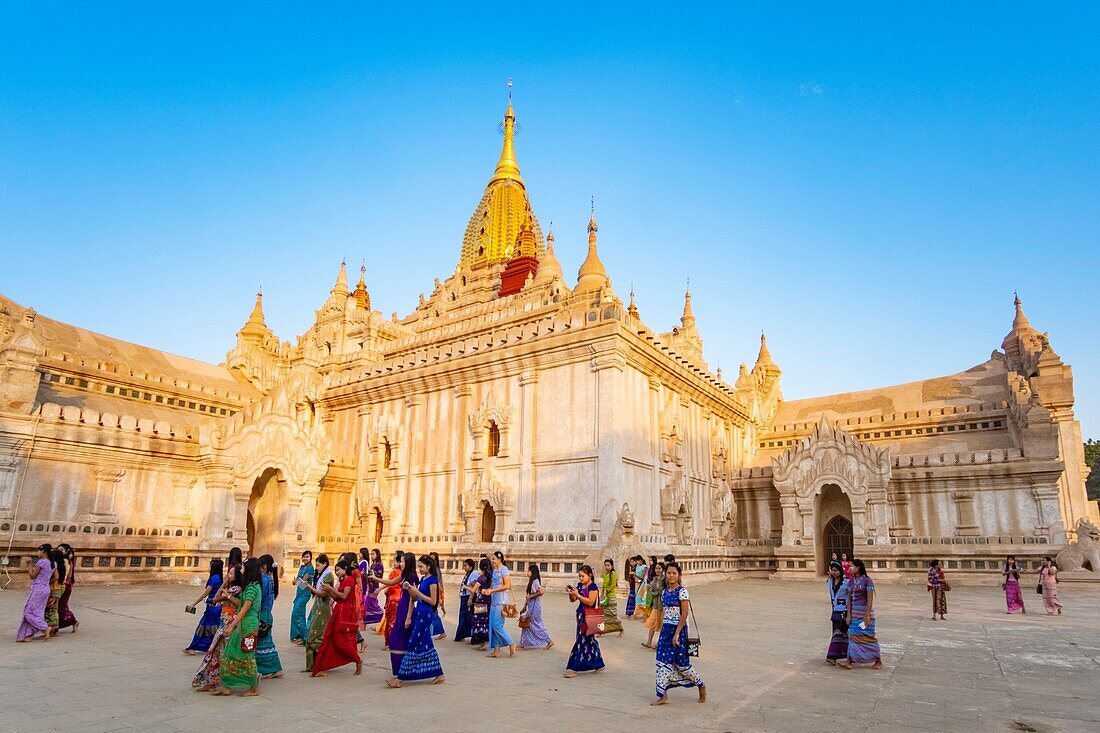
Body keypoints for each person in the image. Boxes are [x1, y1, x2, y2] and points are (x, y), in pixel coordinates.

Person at [651, 562, 705, 705]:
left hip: (679, 630)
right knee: (661, 662)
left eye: (674, 573)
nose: (671, 576)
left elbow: (685, 613)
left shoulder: (682, 591)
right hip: (666, 630)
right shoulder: (664, 592)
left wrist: (677, 633)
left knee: (682, 664)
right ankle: (663, 695)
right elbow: (664, 612)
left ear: (679, 575)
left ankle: (700, 685)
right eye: (669, 573)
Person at [389, 554, 446, 687]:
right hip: (419, 612)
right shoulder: (423, 579)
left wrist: (417, 592)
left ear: (429, 567)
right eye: (418, 566)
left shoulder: (432, 581)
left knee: (412, 644)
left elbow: (433, 601)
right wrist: (411, 590)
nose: (419, 569)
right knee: (427, 644)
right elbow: (414, 598)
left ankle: (400, 678)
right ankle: (439, 673)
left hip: (425, 614)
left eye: (421, 567)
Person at [215, 558, 262, 696]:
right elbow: (240, 604)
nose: (241, 571)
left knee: (246, 654)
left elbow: (245, 609)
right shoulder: (249, 586)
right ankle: (227, 685)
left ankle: (253, 685)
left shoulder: (253, 587)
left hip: (248, 624)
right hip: (243, 623)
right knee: (230, 652)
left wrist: (231, 626)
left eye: (243, 568)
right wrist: (228, 596)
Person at [193, 564, 243, 691]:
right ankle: (211, 680)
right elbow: (216, 597)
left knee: (220, 652)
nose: (228, 575)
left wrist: (226, 593)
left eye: (231, 574)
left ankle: (221, 681)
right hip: (223, 621)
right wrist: (225, 582)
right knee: (215, 651)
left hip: (229, 622)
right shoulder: (230, 587)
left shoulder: (237, 589)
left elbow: (217, 598)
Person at [311, 559, 363, 677]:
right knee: (329, 639)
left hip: (345, 612)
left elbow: (344, 596)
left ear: (345, 569)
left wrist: (330, 589)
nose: (337, 572)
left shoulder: (349, 579)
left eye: (338, 570)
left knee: (340, 641)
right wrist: (329, 591)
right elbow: (337, 597)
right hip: (338, 610)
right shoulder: (343, 580)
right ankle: (323, 666)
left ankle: (357, 660)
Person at [374, 552, 418, 676]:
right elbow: (391, 582)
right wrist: (376, 579)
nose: (400, 564)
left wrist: (409, 616)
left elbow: (413, 598)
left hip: (406, 608)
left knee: (397, 638)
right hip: (401, 606)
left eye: (402, 561)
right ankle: (398, 672)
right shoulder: (404, 575)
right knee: (396, 639)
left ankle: (400, 673)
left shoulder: (412, 577)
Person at [838, 558, 881, 670]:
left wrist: (867, 615)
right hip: (854, 613)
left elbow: (870, 599)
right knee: (852, 636)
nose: (850, 568)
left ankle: (878, 660)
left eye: (852, 566)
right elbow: (849, 599)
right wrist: (848, 615)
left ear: (858, 568)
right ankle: (849, 661)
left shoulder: (867, 581)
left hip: (864, 613)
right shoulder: (851, 581)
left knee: (867, 637)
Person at [564, 564, 605, 678]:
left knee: (581, 640)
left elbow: (590, 602)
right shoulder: (580, 586)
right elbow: (573, 600)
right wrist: (572, 594)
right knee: (589, 641)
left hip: (589, 616)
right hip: (581, 615)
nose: (581, 578)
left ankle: (574, 666)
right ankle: (598, 662)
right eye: (579, 576)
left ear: (589, 575)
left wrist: (578, 595)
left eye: (583, 576)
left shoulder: (593, 588)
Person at [184, 559, 225, 654]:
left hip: (212, 608)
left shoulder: (213, 579)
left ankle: (195, 647)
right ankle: (200, 647)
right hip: (216, 608)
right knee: (211, 629)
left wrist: (194, 604)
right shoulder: (220, 578)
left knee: (204, 628)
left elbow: (205, 594)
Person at [303, 554, 334, 672]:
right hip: (317, 607)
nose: (316, 568)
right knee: (310, 636)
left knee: (314, 638)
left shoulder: (328, 576)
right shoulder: (322, 575)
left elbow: (322, 593)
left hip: (323, 609)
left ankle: (323, 664)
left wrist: (309, 587)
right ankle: (311, 665)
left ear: (325, 564)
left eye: (318, 565)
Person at [17, 544, 53, 642]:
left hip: (38, 588)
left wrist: (29, 565)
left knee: (28, 612)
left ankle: (44, 627)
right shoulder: (52, 563)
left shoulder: (41, 562)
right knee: (37, 612)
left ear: (44, 552)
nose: (38, 553)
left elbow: (33, 576)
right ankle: (28, 634)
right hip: (46, 588)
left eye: (39, 551)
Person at [256, 554, 283, 679]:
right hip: (266, 613)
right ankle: (272, 668)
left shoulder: (265, 580)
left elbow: (258, 598)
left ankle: (274, 668)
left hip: (263, 614)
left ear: (265, 567)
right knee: (264, 643)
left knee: (263, 644)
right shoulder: (269, 579)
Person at [484, 550, 516, 658]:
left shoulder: (504, 569)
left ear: (499, 559)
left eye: (494, 559)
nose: (492, 561)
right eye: (491, 559)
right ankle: (496, 650)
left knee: (496, 624)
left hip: (501, 601)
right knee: (492, 625)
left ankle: (511, 642)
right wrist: (488, 590)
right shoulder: (495, 570)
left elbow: (507, 585)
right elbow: (494, 585)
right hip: (494, 600)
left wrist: (492, 591)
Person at [518, 564, 553, 650]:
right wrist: (525, 606)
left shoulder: (535, 582)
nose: (527, 572)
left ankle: (548, 640)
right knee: (528, 624)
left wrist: (530, 597)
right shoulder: (532, 581)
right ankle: (523, 643)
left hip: (534, 607)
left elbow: (541, 591)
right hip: (531, 606)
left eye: (529, 571)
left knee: (534, 624)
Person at [377, 550, 404, 642]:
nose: (393, 563)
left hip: (393, 598)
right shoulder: (401, 573)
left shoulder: (396, 572)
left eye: (395, 561)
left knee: (391, 620)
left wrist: (382, 589)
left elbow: (391, 583)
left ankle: (390, 641)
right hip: (399, 598)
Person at [289, 551, 315, 645]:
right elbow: (298, 580)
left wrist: (296, 581)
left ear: (310, 558)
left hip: (305, 593)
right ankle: (297, 636)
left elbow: (303, 583)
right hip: (299, 592)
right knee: (299, 613)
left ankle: (305, 636)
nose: (305, 558)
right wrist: (296, 581)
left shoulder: (310, 568)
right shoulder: (302, 567)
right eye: (303, 557)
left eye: (307, 557)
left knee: (296, 613)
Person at [825, 561, 849, 665]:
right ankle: (835, 656)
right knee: (836, 633)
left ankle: (834, 656)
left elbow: (850, 597)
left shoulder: (846, 582)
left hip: (844, 611)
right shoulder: (830, 582)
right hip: (835, 611)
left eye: (836, 570)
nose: (834, 573)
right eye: (832, 570)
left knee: (843, 634)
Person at [642, 562, 666, 649]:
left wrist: (654, 592)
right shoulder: (655, 579)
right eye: (656, 568)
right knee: (652, 623)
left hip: (662, 606)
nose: (657, 570)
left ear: (663, 570)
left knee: (662, 625)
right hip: (655, 605)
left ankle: (660, 643)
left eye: (659, 568)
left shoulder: (665, 580)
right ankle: (649, 641)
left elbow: (660, 591)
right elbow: (650, 588)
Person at [469, 557, 492, 649]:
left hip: (481, 601)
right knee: (485, 620)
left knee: (478, 621)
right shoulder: (491, 576)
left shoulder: (481, 578)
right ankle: (484, 641)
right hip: (488, 601)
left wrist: (465, 587)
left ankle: (484, 641)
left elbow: (473, 590)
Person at [56, 543, 79, 633]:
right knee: (60, 606)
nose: (59, 551)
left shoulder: (65, 561)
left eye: (61, 550)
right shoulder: (67, 561)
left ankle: (73, 621)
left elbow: (68, 575)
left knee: (61, 606)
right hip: (65, 584)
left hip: (63, 584)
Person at [454, 558, 478, 642]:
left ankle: (474, 635)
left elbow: (473, 588)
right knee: (463, 617)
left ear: (471, 566)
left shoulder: (474, 574)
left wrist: (470, 599)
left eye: (466, 566)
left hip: (468, 596)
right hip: (464, 596)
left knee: (469, 617)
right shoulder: (468, 574)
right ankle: (462, 635)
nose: (464, 567)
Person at [601, 558, 624, 636]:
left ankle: (621, 629)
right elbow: (604, 585)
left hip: (611, 597)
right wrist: (602, 594)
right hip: (605, 596)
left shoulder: (613, 574)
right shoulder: (605, 574)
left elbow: (613, 585)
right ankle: (602, 630)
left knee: (613, 614)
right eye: (605, 565)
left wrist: (607, 590)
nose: (607, 567)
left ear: (612, 565)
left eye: (608, 565)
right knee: (605, 614)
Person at [45, 548, 65, 637]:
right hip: (59, 589)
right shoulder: (63, 566)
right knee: (54, 610)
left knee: (50, 610)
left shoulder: (55, 567)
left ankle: (52, 629)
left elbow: (55, 578)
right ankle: (55, 629)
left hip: (54, 589)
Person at [363, 548, 385, 627]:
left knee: (371, 604)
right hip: (370, 587)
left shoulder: (379, 565)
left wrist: (372, 573)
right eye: (371, 554)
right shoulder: (372, 565)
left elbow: (379, 576)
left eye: (373, 554)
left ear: (377, 555)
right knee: (370, 603)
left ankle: (381, 616)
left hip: (375, 587)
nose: (371, 556)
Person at [429, 551, 447, 640]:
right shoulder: (430, 570)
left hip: (435, 593)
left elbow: (439, 583)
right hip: (429, 593)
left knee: (433, 612)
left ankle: (441, 631)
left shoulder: (435, 570)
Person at [633, 556, 649, 622]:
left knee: (643, 599)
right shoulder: (637, 567)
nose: (637, 562)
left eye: (638, 560)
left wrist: (635, 574)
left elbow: (642, 577)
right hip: (637, 584)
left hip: (643, 584)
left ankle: (644, 615)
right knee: (637, 599)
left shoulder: (645, 567)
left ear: (641, 560)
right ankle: (636, 614)